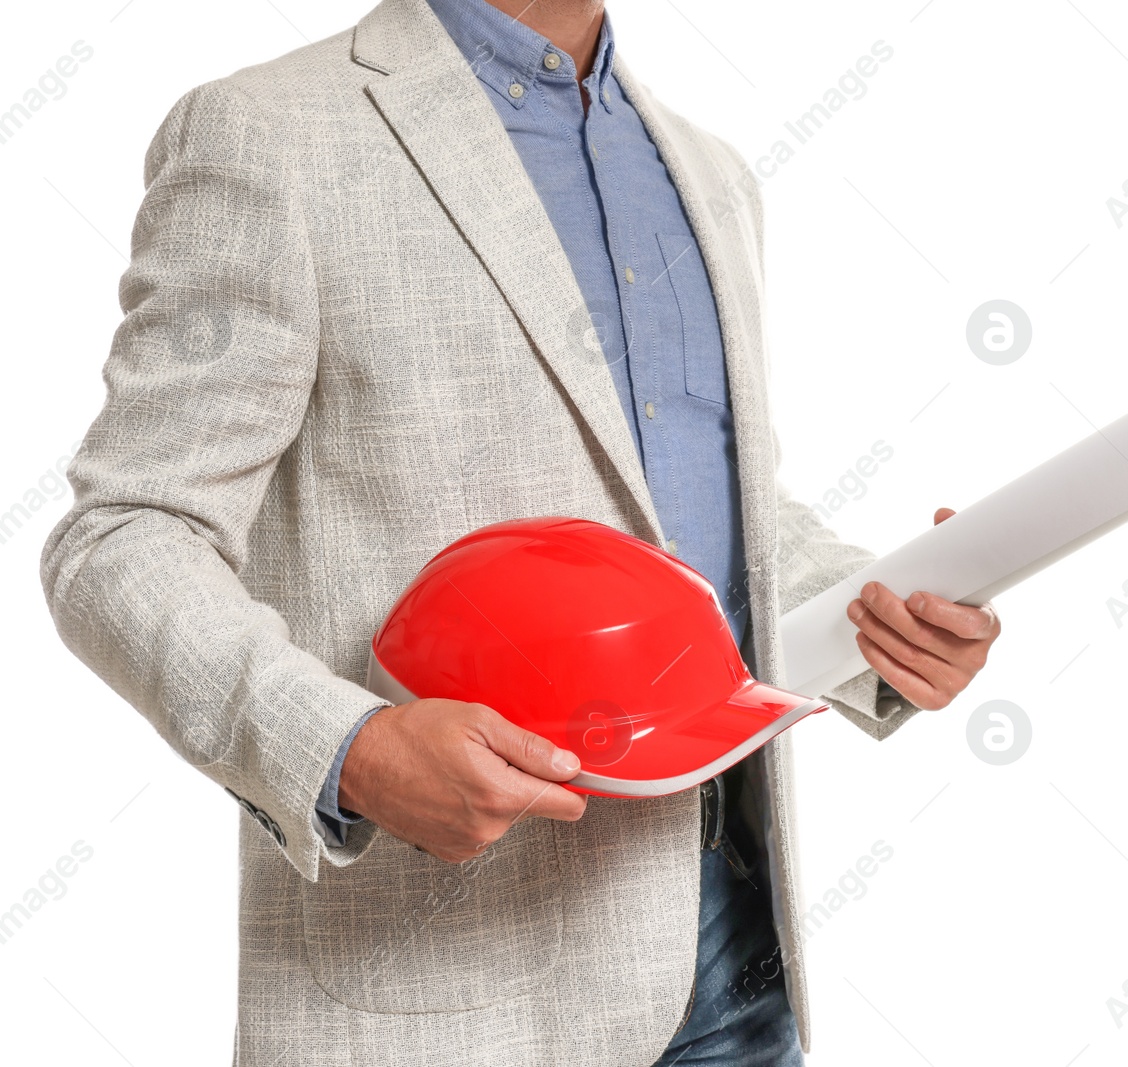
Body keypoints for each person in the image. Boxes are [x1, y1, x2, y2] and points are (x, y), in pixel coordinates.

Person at [40, 0, 1001, 1063]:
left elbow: (717, 508)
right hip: (454, 999)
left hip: (736, 965)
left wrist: (880, 615)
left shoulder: (710, 171)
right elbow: (126, 532)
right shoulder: (268, 135)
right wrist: (347, 749)